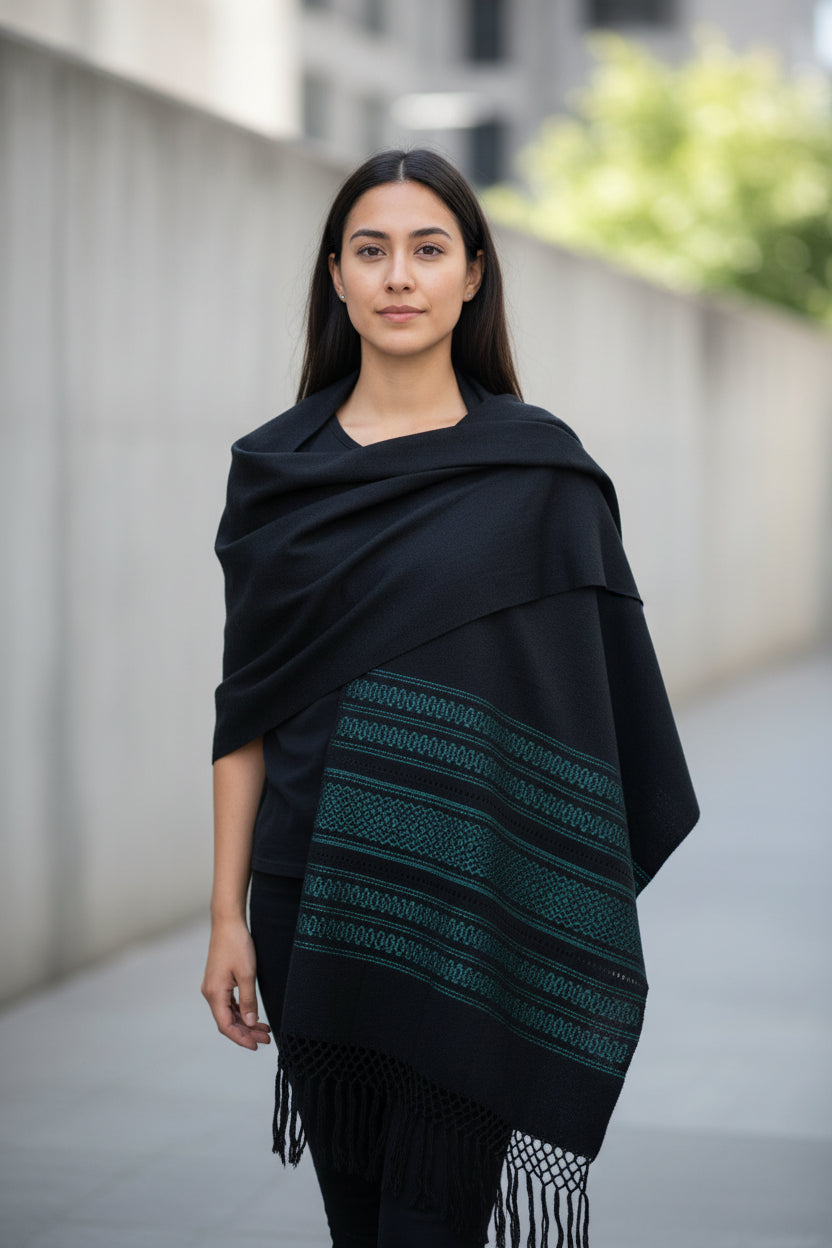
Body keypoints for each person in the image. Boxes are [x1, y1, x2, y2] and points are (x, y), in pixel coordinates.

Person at [201, 148, 699, 1248]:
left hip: (473, 899)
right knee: (359, 1225)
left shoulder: (537, 473)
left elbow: (588, 698)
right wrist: (225, 917)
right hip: (307, 902)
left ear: (472, 275)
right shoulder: (275, 470)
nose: (398, 276)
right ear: (336, 275)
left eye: (428, 250)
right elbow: (245, 710)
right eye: (370, 250)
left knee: (432, 1229)